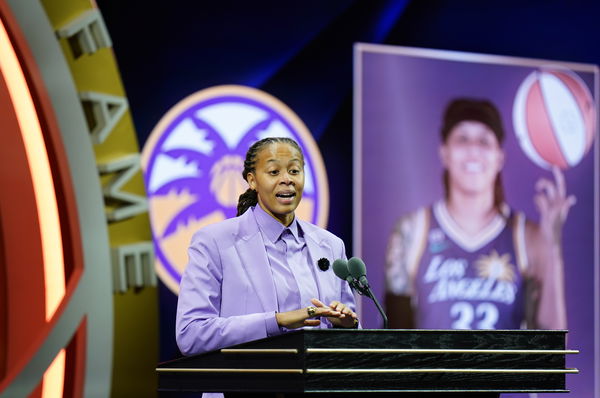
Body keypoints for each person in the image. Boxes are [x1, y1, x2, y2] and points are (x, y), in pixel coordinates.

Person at [385, 98, 574, 330]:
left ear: (499, 157)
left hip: (503, 367)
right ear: (444, 153)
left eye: (484, 141)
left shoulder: (526, 236)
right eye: (462, 139)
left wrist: (551, 247)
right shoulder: (413, 230)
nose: (473, 149)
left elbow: (554, 344)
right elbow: (394, 339)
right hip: (434, 367)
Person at [176, 136, 358, 359]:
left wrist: (346, 325)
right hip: (245, 386)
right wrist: (276, 321)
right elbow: (191, 335)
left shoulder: (330, 245)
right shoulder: (214, 242)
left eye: (294, 171)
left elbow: (352, 338)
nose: (286, 180)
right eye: (274, 172)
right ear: (252, 181)